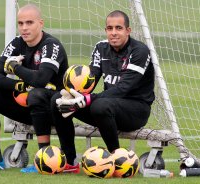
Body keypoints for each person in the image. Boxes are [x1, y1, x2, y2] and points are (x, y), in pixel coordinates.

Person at [51, 10, 155, 173]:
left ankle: (118, 161)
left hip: (135, 111)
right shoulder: (101, 48)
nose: (113, 33)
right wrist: (73, 90)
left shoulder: (139, 51)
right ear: (106, 30)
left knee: (99, 105)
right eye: (110, 28)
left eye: (119, 28)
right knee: (58, 100)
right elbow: (90, 81)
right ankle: (70, 161)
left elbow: (123, 88)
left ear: (128, 30)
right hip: (107, 109)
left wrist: (87, 99)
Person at [0, 4, 69, 172]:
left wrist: (16, 68)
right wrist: (22, 86)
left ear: (40, 23)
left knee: (37, 94)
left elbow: (40, 80)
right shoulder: (16, 44)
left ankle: (43, 159)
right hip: (28, 106)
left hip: (53, 110)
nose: (24, 28)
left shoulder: (51, 46)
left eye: (29, 23)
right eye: (20, 23)